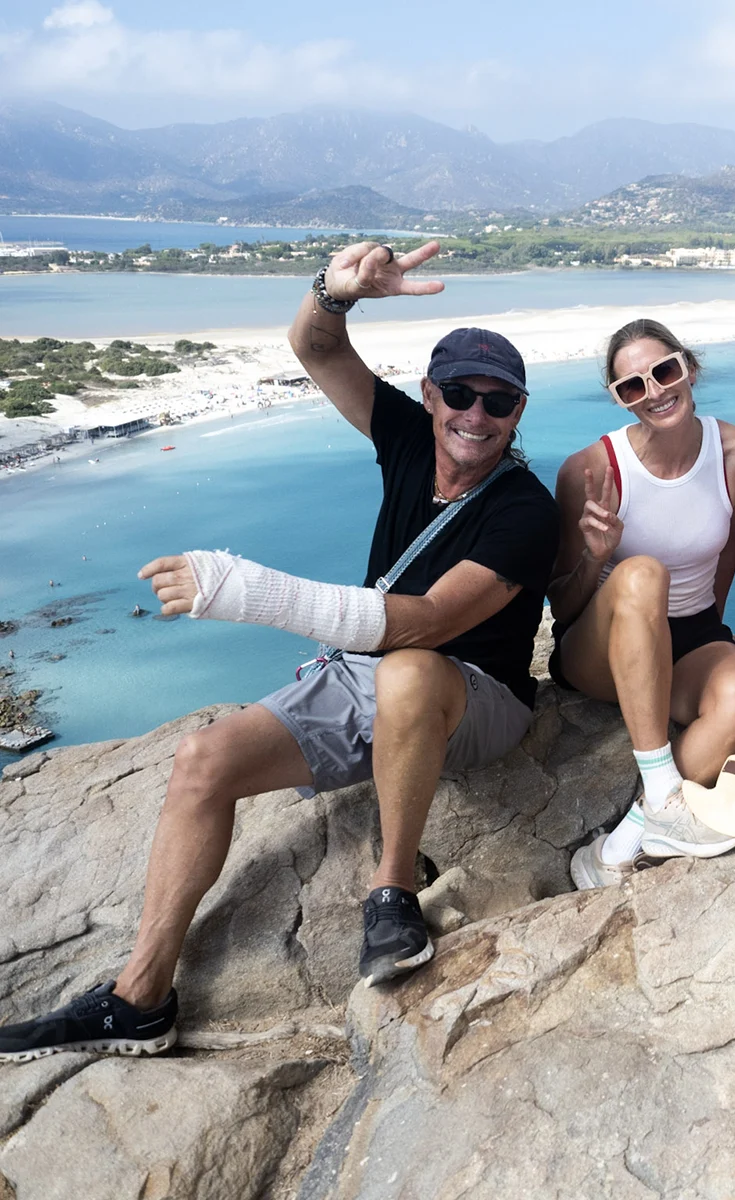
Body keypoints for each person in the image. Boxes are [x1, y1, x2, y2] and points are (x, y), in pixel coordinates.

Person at [0, 240, 560, 1063]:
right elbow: (316, 347)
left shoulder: (525, 510)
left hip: (475, 697)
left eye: (499, 401)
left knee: (407, 668)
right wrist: (335, 295)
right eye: (462, 394)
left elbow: (430, 623)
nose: (476, 415)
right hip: (366, 674)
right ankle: (139, 998)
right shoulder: (406, 435)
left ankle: (392, 890)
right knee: (202, 761)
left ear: (517, 413)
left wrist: (249, 591)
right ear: (432, 394)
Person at [552, 319, 735, 890]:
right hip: (602, 647)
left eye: (664, 371)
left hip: (692, 634)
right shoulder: (591, 470)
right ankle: (660, 782)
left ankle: (633, 830)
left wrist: (724, 642)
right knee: (643, 573)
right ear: (621, 401)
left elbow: (724, 554)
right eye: (632, 386)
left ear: (688, 367)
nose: (655, 392)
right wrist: (597, 557)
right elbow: (563, 600)